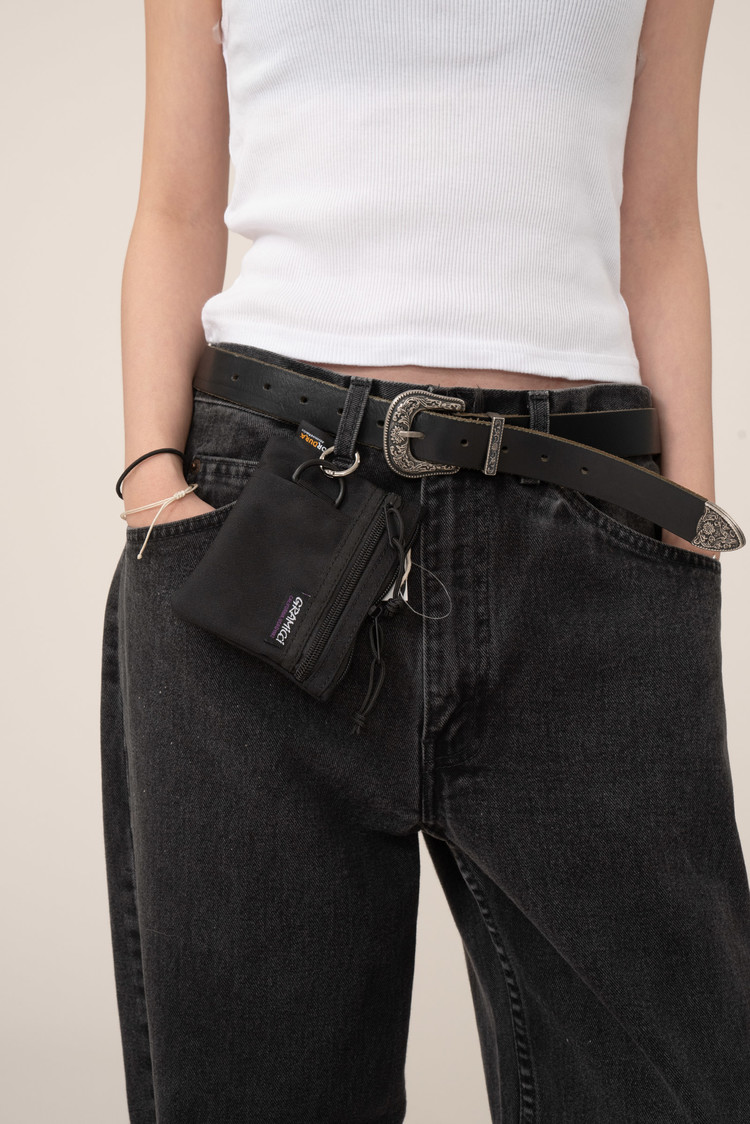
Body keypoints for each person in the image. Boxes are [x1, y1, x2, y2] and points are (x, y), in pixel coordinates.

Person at [100, 1, 750, 1121]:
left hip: (585, 525)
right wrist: (155, 479)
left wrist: (683, 527)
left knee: (674, 1080)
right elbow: (175, 201)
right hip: (267, 513)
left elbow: (658, 217)